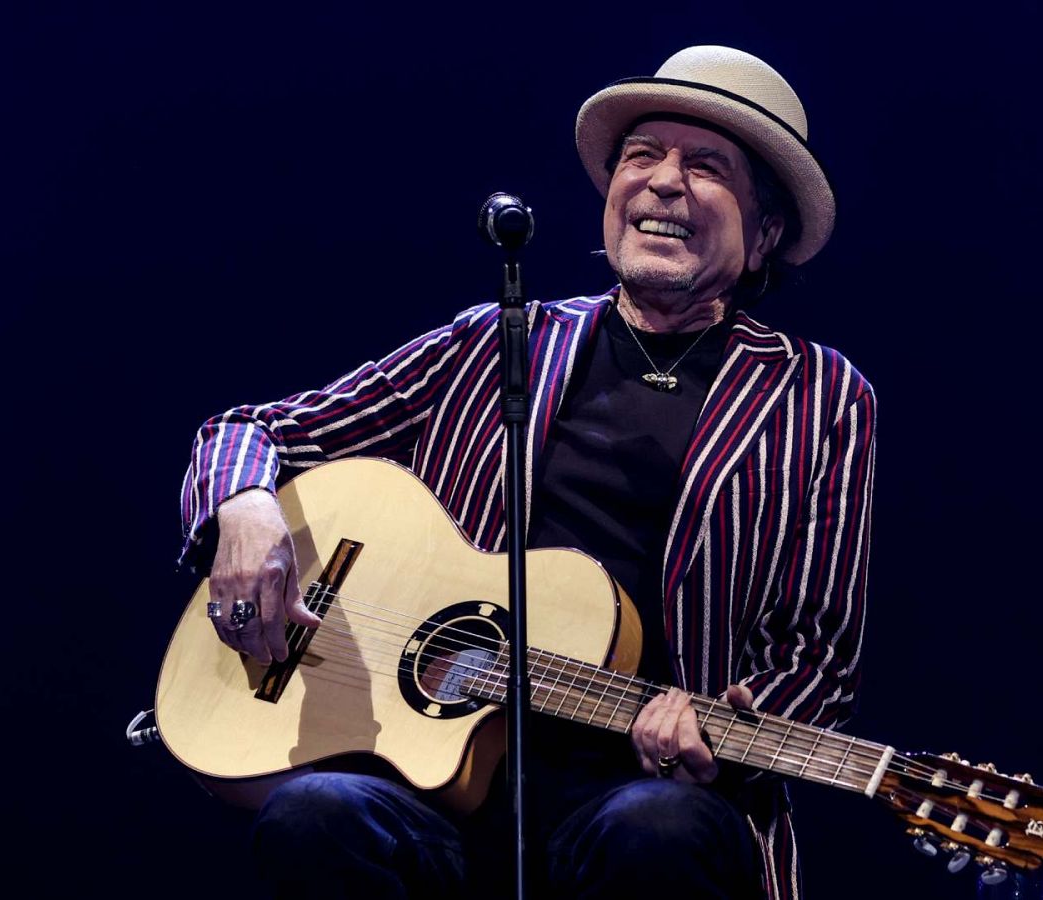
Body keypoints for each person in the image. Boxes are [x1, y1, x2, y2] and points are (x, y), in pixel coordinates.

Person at [179, 46, 876, 900]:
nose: (663, 183)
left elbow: (815, 653)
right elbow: (253, 430)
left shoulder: (818, 395)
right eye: (641, 156)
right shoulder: (498, 341)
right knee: (313, 814)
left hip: (642, 797)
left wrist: (721, 724)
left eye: (706, 166)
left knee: (657, 832)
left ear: (765, 228)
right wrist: (243, 511)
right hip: (433, 790)